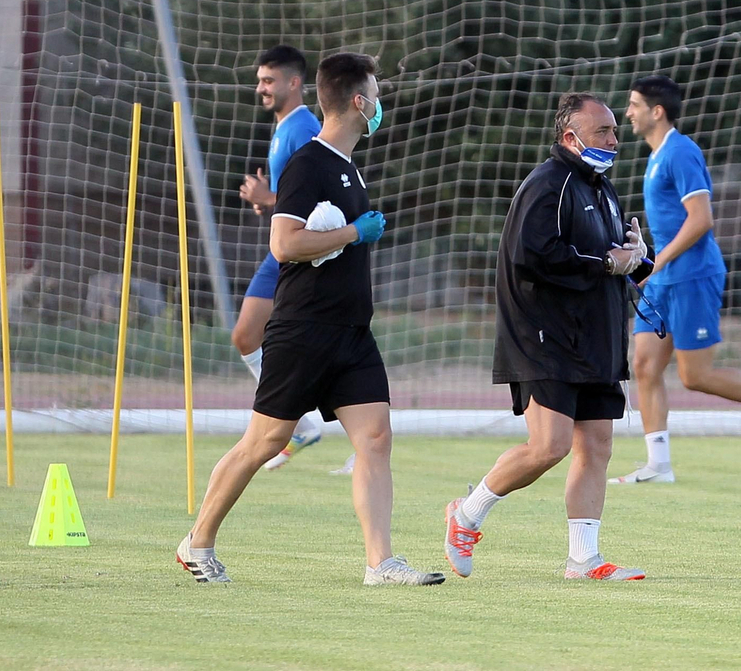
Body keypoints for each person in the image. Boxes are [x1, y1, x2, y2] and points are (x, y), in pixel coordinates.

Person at [177, 53, 444, 585]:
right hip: (303, 330)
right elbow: (284, 243)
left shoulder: (346, 167)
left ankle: (380, 563)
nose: (380, 104)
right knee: (264, 442)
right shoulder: (309, 163)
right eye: (376, 92)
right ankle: (196, 542)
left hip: (351, 333)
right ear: (359, 101)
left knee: (375, 438)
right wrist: (353, 233)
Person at [443, 93, 649, 581]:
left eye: (615, 130)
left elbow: (613, 259)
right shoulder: (547, 184)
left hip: (595, 337)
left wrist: (640, 256)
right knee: (549, 447)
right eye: (603, 132)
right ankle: (466, 515)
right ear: (570, 137)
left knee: (597, 444)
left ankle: (583, 559)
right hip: (545, 336)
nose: (614, 140)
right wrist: (606, 263)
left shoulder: (600, 187)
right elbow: (532, 256)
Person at [611, 75, 741, 485]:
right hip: (664, 277)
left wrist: (656, 262)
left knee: (694, 375)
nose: (627, 112)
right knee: (644, 366)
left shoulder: (681, 152)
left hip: (692, 276)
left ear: (657, 111)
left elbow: (702, 219)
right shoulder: (655, 155)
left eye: (633, 105)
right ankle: (658, 464)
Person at [232, 45, 327, 471]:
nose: (261, 88)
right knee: (247, 337)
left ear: (294, 83)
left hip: (298, 251)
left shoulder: (303, 128)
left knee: (307, 346)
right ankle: (304, 423)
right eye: (260, 80)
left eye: (268, 81)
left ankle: (345, 435)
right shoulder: (284, 127)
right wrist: (270, 200)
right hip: (282, 249)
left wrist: (267, 197)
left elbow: (318, 195)